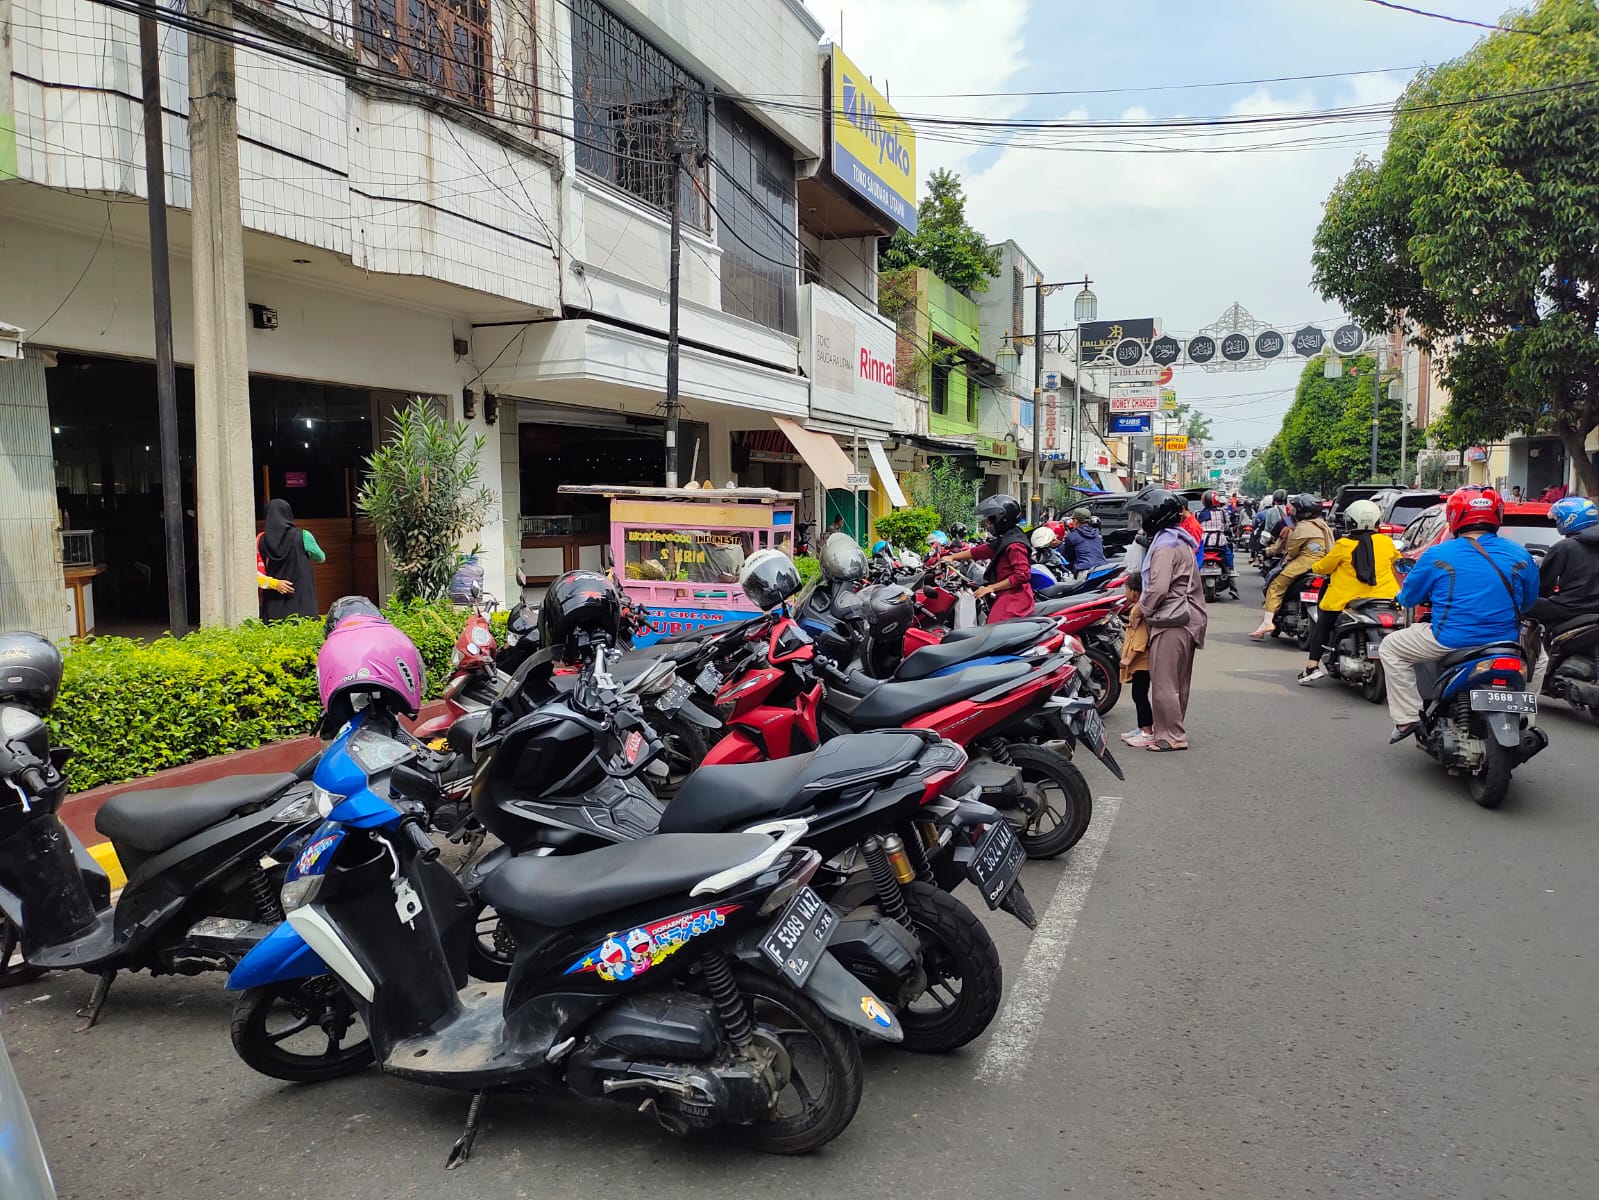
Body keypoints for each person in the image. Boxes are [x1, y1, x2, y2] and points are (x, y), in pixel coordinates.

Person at [1379, 487, 1540, 743]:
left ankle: (1407, 717)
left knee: (1389, 647)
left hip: (1449, 639)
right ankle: (1526, 721)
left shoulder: (1438, 553)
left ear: (1454, 517)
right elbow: (1529, 600)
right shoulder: (1519, 553)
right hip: (1507, 642)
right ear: (1497, 514)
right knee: (1538, 660)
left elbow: (1409, 597)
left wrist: (1400, 598)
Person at [1296, 498, 1402, 684]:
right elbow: (1398, 562)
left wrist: (1315, 565)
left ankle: (1312, 666)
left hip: (1346, 599)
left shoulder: (1344, 545)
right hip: (1386, 597)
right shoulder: (1386, 543)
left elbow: (1323, 567)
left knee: (1323, 624)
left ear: (1350, 521)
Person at [1137, 491, 1206, 751]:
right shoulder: (1180, 539)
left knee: (1164, 681)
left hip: (1172, 620)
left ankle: (1170, 736)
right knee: (1178, 682)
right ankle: (1172, 730)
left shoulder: (1165, 546)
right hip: (1188, 617)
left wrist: (1140, 610)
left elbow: (1157, 588)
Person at [940, 493, 1035, 622]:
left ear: (1003, 519)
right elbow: (981, 551)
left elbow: (1022, 575)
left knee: (992, 630)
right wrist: (953, 557)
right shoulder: (1007, 537)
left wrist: (991, 588)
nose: (989, 525)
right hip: (1006, 594)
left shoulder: (1015, 544)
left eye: (991, 521)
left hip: (1014, 598)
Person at [1251, 494, 1332, 639]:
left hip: (1304, 564)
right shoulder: (1323, 525)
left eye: (1295, 509)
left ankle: (1267, 622)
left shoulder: (1301, 527)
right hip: (1324, 565)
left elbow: (1292, 551)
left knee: (1275, 586)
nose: (1292, 512)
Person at [1530, 495, 1599, 631]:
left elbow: (1542, 583)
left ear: (1570, 519)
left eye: (1558, 518)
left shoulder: (1564, 547)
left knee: (1524, 603)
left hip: (1570, 609)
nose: (1557, 522)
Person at [257, 498, 325, 621]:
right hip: (301, 597)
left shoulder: (261, 540)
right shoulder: (303, 536)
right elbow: (321, 558)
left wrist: (274, 583)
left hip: (274, 597)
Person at [1119, 556, 1154, 748]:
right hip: (1142, 661)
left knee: (1139, 695)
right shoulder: (1137, 609)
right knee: (1139, 694)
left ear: (1134, 592)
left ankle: (1147, 731)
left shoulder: (1138, 612)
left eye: (1126, 589)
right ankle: (1142, 727)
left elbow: (1141, 639)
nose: (1124, 593)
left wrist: (1128, 659)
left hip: (1142, 661)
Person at [1061, 508, 1107, 575]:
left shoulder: (1072, 536)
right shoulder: (1096, 535)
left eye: (1072, 520)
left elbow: (1067, 558)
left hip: (1084, 571)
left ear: (1076, 521)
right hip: (1102, 569)